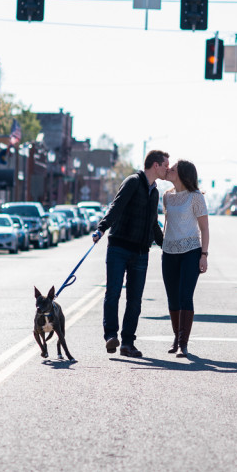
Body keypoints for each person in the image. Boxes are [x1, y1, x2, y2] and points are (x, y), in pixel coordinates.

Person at [93, 150, 168, 358]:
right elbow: (116, 206)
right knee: (113, 293)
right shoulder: (133, 182)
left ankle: (127, 343)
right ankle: (111, 336)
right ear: (155, 165)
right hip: (119, 247)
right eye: (165, 166)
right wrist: (102, 227)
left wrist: (165, 246)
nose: (167, 169)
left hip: (141, 252)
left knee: (135, 300)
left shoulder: (155, 192)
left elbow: (153, 223)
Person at [161, 159, 210, 358]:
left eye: (173, 169)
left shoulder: (196, 197)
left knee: (184, 296)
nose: (169, 170)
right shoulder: (166, 197)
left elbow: (205, 228)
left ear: (182, 174)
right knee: (172, 297)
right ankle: (176, 337)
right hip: (169, 253)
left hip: (191, 252)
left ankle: (184, 343)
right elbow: (167, 224)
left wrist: (204, 255)